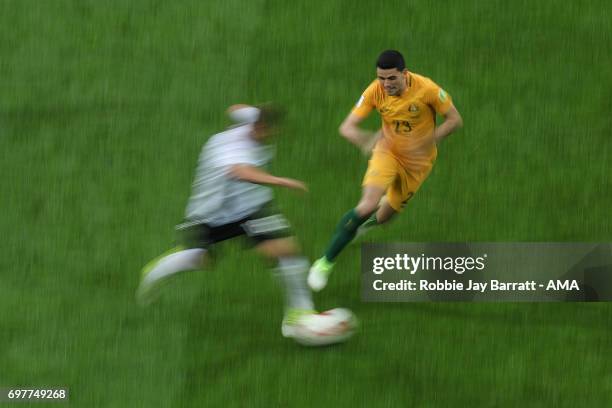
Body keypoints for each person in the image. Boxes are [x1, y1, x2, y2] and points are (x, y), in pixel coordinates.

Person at [136, 104, 316, 340]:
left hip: (251, 210)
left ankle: (299, 313)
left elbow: (235, 108)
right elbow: (240, 172)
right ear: (260, 127)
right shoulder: (236, 148)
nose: (269, 135)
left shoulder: (251, 118)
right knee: (200, 260)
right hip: (212, 214)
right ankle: (156, 270)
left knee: (286, 252)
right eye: (266, 130)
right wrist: (283, 182)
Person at [308, 50, 463, 291]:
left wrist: (430, 140)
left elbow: (454, 120)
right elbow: (346, 128)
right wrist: (365, 140)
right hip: (388, 153)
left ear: (405, 73)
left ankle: (359, 226)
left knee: (384, 217)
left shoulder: (428, 89)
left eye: (391, 78)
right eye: (381, 78)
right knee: (367, 204)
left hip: (418, 163)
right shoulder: (375, 91)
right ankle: (325, 262)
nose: (385, 84)